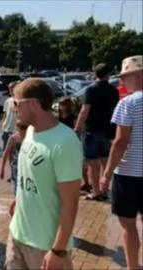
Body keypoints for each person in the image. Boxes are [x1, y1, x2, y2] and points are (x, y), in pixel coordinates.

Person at [5, 79, 82, 269]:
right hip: (17, 234)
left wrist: (58, 250)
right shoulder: (30, 131)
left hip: (44, 245)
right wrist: (19, 199)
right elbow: (30, 174)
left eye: (17, 103)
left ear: (34, 104)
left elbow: (70, 202)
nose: (14, 108)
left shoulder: (64, 141)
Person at [100, 55, 143, 270]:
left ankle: (133, 266)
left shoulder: (128, 103)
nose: (122, 82)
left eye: (125, 77)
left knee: (128, 225)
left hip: (129, 174)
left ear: (137, 75)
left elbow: (120, 141)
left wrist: (106, 174)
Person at [74, 63, 119, 201]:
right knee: (106, 161)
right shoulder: (114, 91)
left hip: (91, 130)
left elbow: (84, 111)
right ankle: (105, 189)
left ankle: (96, 191)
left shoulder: (91, 90)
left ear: (95, 74)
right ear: (109, 74)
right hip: (108, 130)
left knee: (92, 164)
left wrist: (77, 128)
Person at [0, 121, 28, 194]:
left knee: (25, 187)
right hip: (16, 166)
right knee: (16, 188)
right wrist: (2, 170)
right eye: (21, 128)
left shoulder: (30, 137)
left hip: (27, 166)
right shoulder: (13, 138)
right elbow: (6, 153)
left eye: (24, 128)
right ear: (17, 128)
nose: (22, 130)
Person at [1, 81, 19, 149]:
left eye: (12, 88)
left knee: (15, 152)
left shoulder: (20, 101)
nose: (11, 90)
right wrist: (3, 124)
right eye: (10, 88)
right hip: (6, 129)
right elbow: (5, 114)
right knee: (6, 150)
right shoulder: (7, 101)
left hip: (16, 130)